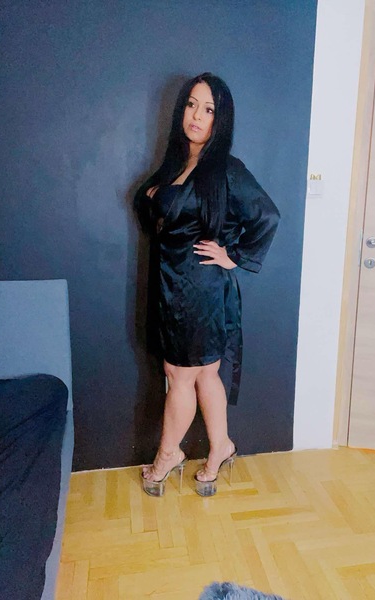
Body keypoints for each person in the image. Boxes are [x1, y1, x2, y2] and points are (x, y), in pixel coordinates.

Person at [134, 72, 280, 497]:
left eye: (209, 109)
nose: (197, 115)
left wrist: (234, 256)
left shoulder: (226, 169)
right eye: (191, 105)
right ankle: (221, 448)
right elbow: (159, 215)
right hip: (174, 283)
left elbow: (267, 216)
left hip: (197, 288)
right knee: (205, 373)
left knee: (179, 375)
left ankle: (167, 457)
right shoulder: (177, 163)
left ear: (221, 118)